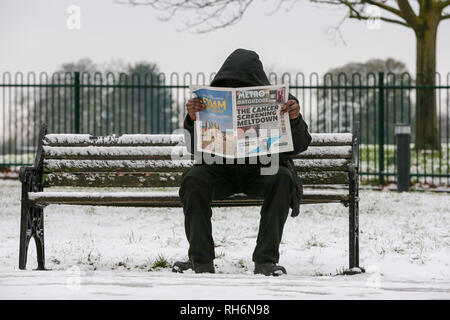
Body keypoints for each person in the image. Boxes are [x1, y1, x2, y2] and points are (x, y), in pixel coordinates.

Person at [172, 49, 312, 276]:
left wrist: (294, 119)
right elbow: (194, 148)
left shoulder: (284, 102)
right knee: (193, 180)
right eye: (230, 84)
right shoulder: (206, 102)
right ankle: (200, 261)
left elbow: (300, 145)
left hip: (261, 170)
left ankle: (266, 261)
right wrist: (192, 119)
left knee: (283, 178)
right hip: (220, 171)